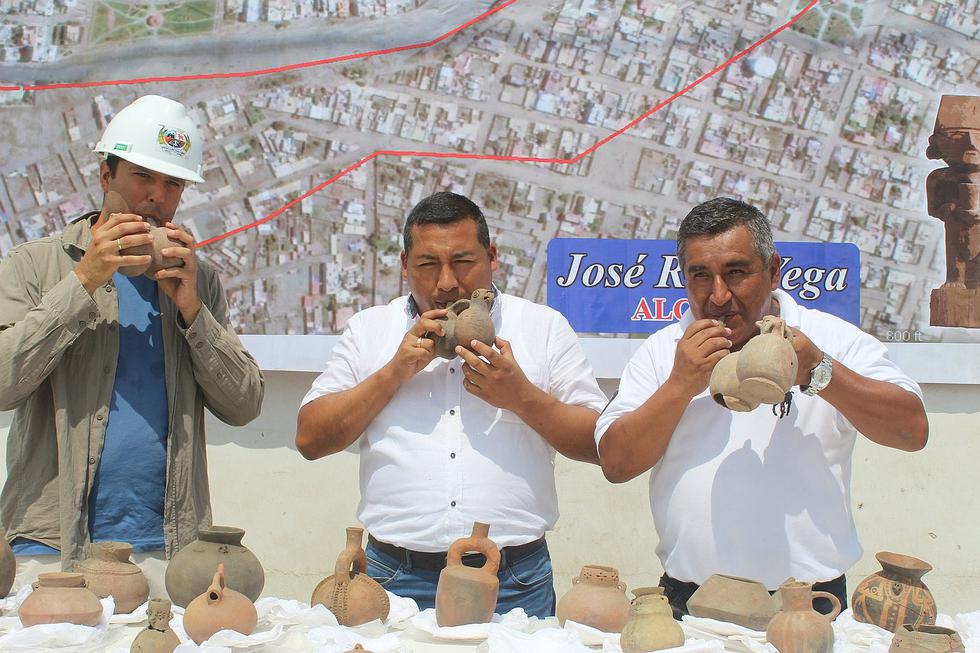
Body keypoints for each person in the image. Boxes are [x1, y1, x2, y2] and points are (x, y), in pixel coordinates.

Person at [595, 197, 928, 618]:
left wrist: (817, 371)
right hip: (689, 603)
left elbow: (911, 430)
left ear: (773, 271)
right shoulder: (664, 351)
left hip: (810, 607)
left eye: (736, 272)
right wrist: (681, 384)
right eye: (700, 275)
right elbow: (616, 463)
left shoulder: (828, 339)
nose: (718, 295)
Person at [296, 191, 606, 617]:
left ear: (492, 256)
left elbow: (599, 443)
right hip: (392, 577)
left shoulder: (543, 328)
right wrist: (392, 374)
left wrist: (521, 396)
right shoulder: (370, 330)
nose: (446, 283)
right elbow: (310, 438)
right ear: (404, 266)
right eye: (427, 265)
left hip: (513, 579)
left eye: (463, 262)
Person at [0, 95, 265, 586]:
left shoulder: (197, 280)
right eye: (142, 176)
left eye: (172, 183)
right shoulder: (35, 266)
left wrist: (192, 310)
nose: (156, 197)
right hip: (50, 546)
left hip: (166, 549)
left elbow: (245, 404)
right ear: (106, 177)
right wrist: (82, 282)